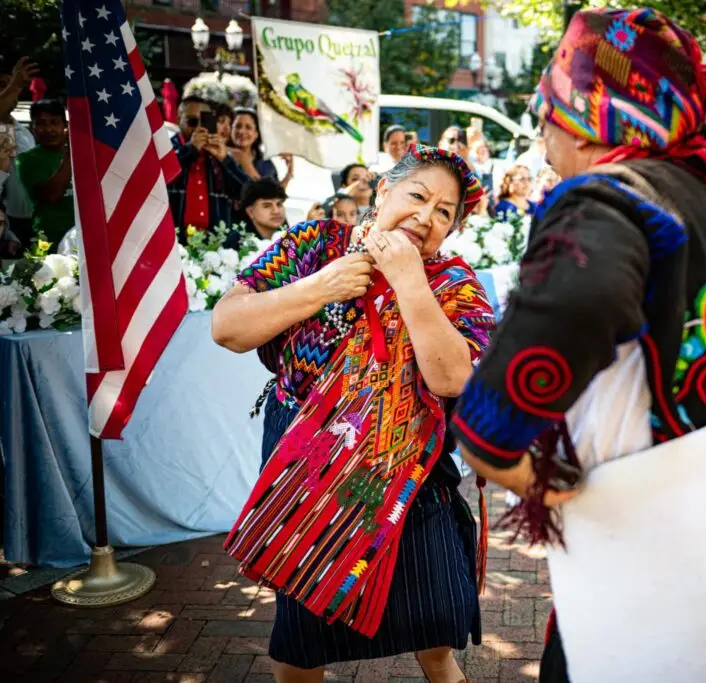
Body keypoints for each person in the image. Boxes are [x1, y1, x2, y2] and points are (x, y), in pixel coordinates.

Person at [451, 9, 706, 683]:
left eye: (549, 113)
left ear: (588, 116)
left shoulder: (608, 198)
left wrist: (499, 452)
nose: (542, 136)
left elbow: (581, 299)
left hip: (644, 579)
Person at [213, 145, 492, 683]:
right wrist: (322, 286)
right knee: (302, 643)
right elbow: (228, 327)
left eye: (443, 212)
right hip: (309, 474)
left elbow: (453, 377)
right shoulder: (314, 246)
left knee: (435, 637)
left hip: (408, 480)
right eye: (418, 195)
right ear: (383, 191)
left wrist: (409, 279)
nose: (426, 216)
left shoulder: (455, 285)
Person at [168, 96, 251, 242]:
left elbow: (248, 194)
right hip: (173, 242)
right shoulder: (166, 148)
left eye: (204, 122)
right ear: (178, 120)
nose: (199, 128)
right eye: (192, 121)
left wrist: (225, 159)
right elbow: (159, 176)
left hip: (214, 244)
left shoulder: (218, 153)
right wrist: (190, 150)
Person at [15, 99, 74, 250]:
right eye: (41, 123)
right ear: (32, 127)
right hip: (50, 240)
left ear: (65, 126)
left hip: (83, 235)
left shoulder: (86, 155)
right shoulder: (27, 160)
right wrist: (71, 155)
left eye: (54, 122)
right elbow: (52, 195)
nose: (49, 129)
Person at [0, 57, 39, 250]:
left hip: (35, 223)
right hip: (10, 226)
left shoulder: (22, 131)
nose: (8, 93)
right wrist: (15, 84)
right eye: (2, 87)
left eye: (10, 86)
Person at [230, 108, 294, 189]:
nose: (242, 131)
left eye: (248, 127)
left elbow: (274, 196)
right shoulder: (221, 155)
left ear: (256, 134)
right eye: (238, 126)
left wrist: (289, 173)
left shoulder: (265, 163)